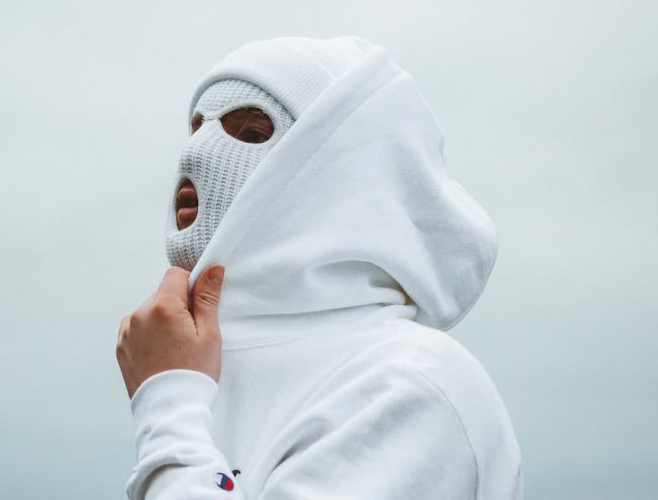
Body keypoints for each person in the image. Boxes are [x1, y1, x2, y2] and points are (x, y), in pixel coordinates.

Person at [116, 35, 523, 499]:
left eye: (250, 132)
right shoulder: (200, 368)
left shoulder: (406, 382)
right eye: (195, 128)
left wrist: (168, 409)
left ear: (336, 175)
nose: (195, 154)